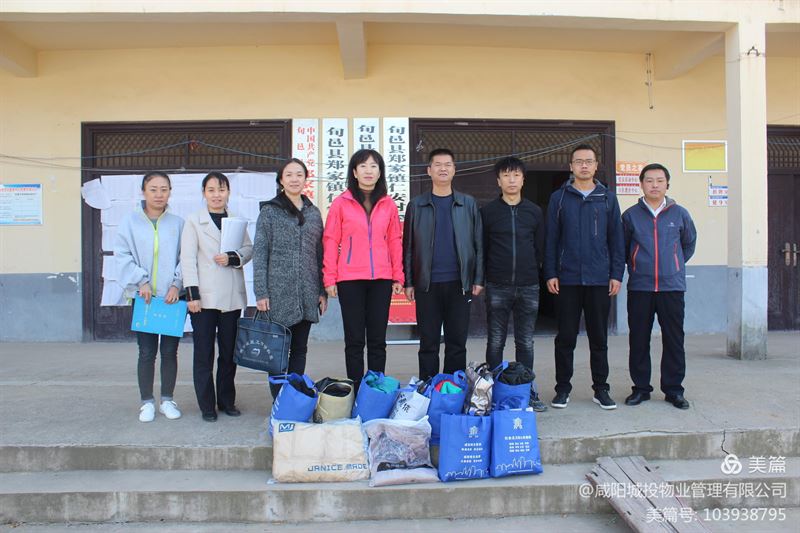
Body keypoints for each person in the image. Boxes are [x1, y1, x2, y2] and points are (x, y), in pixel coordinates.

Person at [544, 144, 624, 410]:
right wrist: (551, 272)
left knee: (599, 338)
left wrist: (616, 274)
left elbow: (616, 239)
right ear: (571, 166)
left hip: (599, 278)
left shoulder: (607, 198)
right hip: (567, 279)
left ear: (596, 165)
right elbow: (551, 238)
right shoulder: (559, 198)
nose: (584, 166)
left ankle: (601, 389)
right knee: (565, 337)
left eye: (589, 161)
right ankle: (562, 389)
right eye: (579, 161)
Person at [322, 149, 404, 386]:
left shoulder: (388, 204)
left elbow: (395, 240)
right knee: (355, 340)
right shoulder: (341, 203)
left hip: (381, 279)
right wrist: (329, 278)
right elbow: (331, 240)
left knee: (378, 340)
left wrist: (397, 275)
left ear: (380, 172)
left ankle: (375, 390)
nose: (369, 171)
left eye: (374, 166)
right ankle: (356, 389)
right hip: (350, 279)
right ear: (355, 172)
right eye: (363, 166)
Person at [403, 148, 484, 381]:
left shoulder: (468, 204)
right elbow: (408, 246)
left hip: (460, 283)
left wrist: (478, 278)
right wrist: (409, 281)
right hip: (427, 283)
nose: (443, 169)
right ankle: (428, 387)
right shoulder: (416, 205)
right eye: (437, 165)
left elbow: (478, 243)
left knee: (456, 342)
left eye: (448, 164)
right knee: (428, 341)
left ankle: (452, 387)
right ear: (429, 171)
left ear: (454, 170)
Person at [622, 163, 697, 410]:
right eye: (649, 180)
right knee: (639, 339)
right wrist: (637, 265)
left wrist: (674, 264)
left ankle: (674, 390)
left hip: (671, 287)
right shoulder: (630, 216)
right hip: (640, 287)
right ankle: (641, 389)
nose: (654, 185)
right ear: (641, 184)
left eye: (659, 180)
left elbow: (688, 244)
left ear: (667, 184)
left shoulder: (680, 214)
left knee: (674, 340)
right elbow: (623, 248)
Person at [181, 171, 253, 422]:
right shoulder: (193, 221)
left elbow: (249, 248)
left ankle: (226, 400)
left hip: (231, 296)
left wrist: (233, 257)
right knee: (203, 354)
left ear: (228, 192)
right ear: (204, 193)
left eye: (221, 190)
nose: (216, 195)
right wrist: (192, 294)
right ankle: (207, 405)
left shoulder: (236, 220)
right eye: (211, 190)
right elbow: (187, 259)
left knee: (229, 353)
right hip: (204, 298)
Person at [253, 158, 327, 399]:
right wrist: (261, 292)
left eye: (299, 174)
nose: (294, 179)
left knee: (300, 349)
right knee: (277, 351)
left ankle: (294, 397)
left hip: (307, 291)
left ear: (305, 179)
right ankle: (279, 400)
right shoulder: (269, 211)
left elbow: (320, 254)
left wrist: (322, 291)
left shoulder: (313, 213)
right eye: (289, 175)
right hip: (277, 292)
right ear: (281, 180)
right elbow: (260, 252)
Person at [115, 171, 184, 423]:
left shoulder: (178, 223)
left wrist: (177, 284)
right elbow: (122, 254)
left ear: (170, 192)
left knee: (169, 351)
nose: (159, 194)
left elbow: (186, 257)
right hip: (143, 298)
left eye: (164, 189)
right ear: (143, 191)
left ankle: (167, 400)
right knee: (146, 352)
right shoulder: (129, 222)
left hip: (171, 298)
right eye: (153, 189)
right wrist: (140, 280)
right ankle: (146, 402)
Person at [481, 157, 547, 412]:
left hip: (528, 285)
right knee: (495, 341)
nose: (511, 180)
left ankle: (525, 391)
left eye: (516, 175)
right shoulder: (488, 212)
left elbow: (540, 247)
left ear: (523, 179)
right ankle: (491, 392)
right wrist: (482, 279)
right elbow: (482, 248)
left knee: (526, 342)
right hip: (497, 284)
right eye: (506, 175)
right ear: (498, 181)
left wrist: (537, 272)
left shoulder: (534, 211)